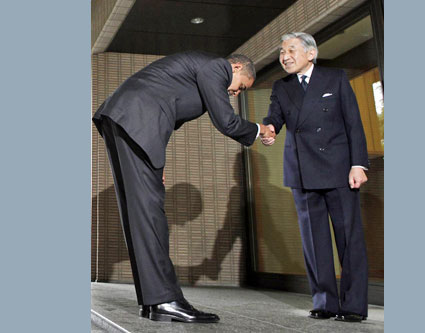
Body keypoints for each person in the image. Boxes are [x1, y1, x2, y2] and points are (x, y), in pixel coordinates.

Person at [93, 51, 275, 323]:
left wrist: (158, 161)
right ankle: (164, 300)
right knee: (150, 215)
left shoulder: (200, 77)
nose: (236, 93)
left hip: (127, 121)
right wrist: (261, 129)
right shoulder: (217, 68)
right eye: (241, 87)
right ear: (236, 67)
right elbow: (226, 121)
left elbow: (167, 115)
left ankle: (155, 302)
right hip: (134, 119)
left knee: (140, 215)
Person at [261, 32, 369, 322]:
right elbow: (274, 116)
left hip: (338, 171)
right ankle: (325, 303)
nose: (285, 56)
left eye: (291, 50)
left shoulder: (335, 78)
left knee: (349, 240)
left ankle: (354, 306)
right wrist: (269, 129)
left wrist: (358, 164)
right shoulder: (281, 87)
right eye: (282, 51)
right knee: (314, 241)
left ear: (311, 53)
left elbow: (354, 124)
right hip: (302, 171)